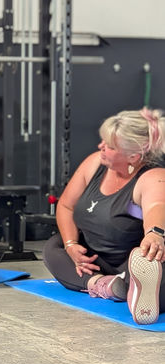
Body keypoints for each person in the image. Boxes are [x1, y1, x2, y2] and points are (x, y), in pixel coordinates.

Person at [43, 107, 165, 325]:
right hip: (93, 260)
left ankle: (130, 286)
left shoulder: (153, 176)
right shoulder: (95, 163)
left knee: (155, 267)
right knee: (54, 247)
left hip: (130, 263)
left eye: (109, 146)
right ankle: (105, 285)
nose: (101, 147)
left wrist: (154, 234)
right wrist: (71, 246)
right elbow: (66, 206)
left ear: (133, 156)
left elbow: (157, 204)